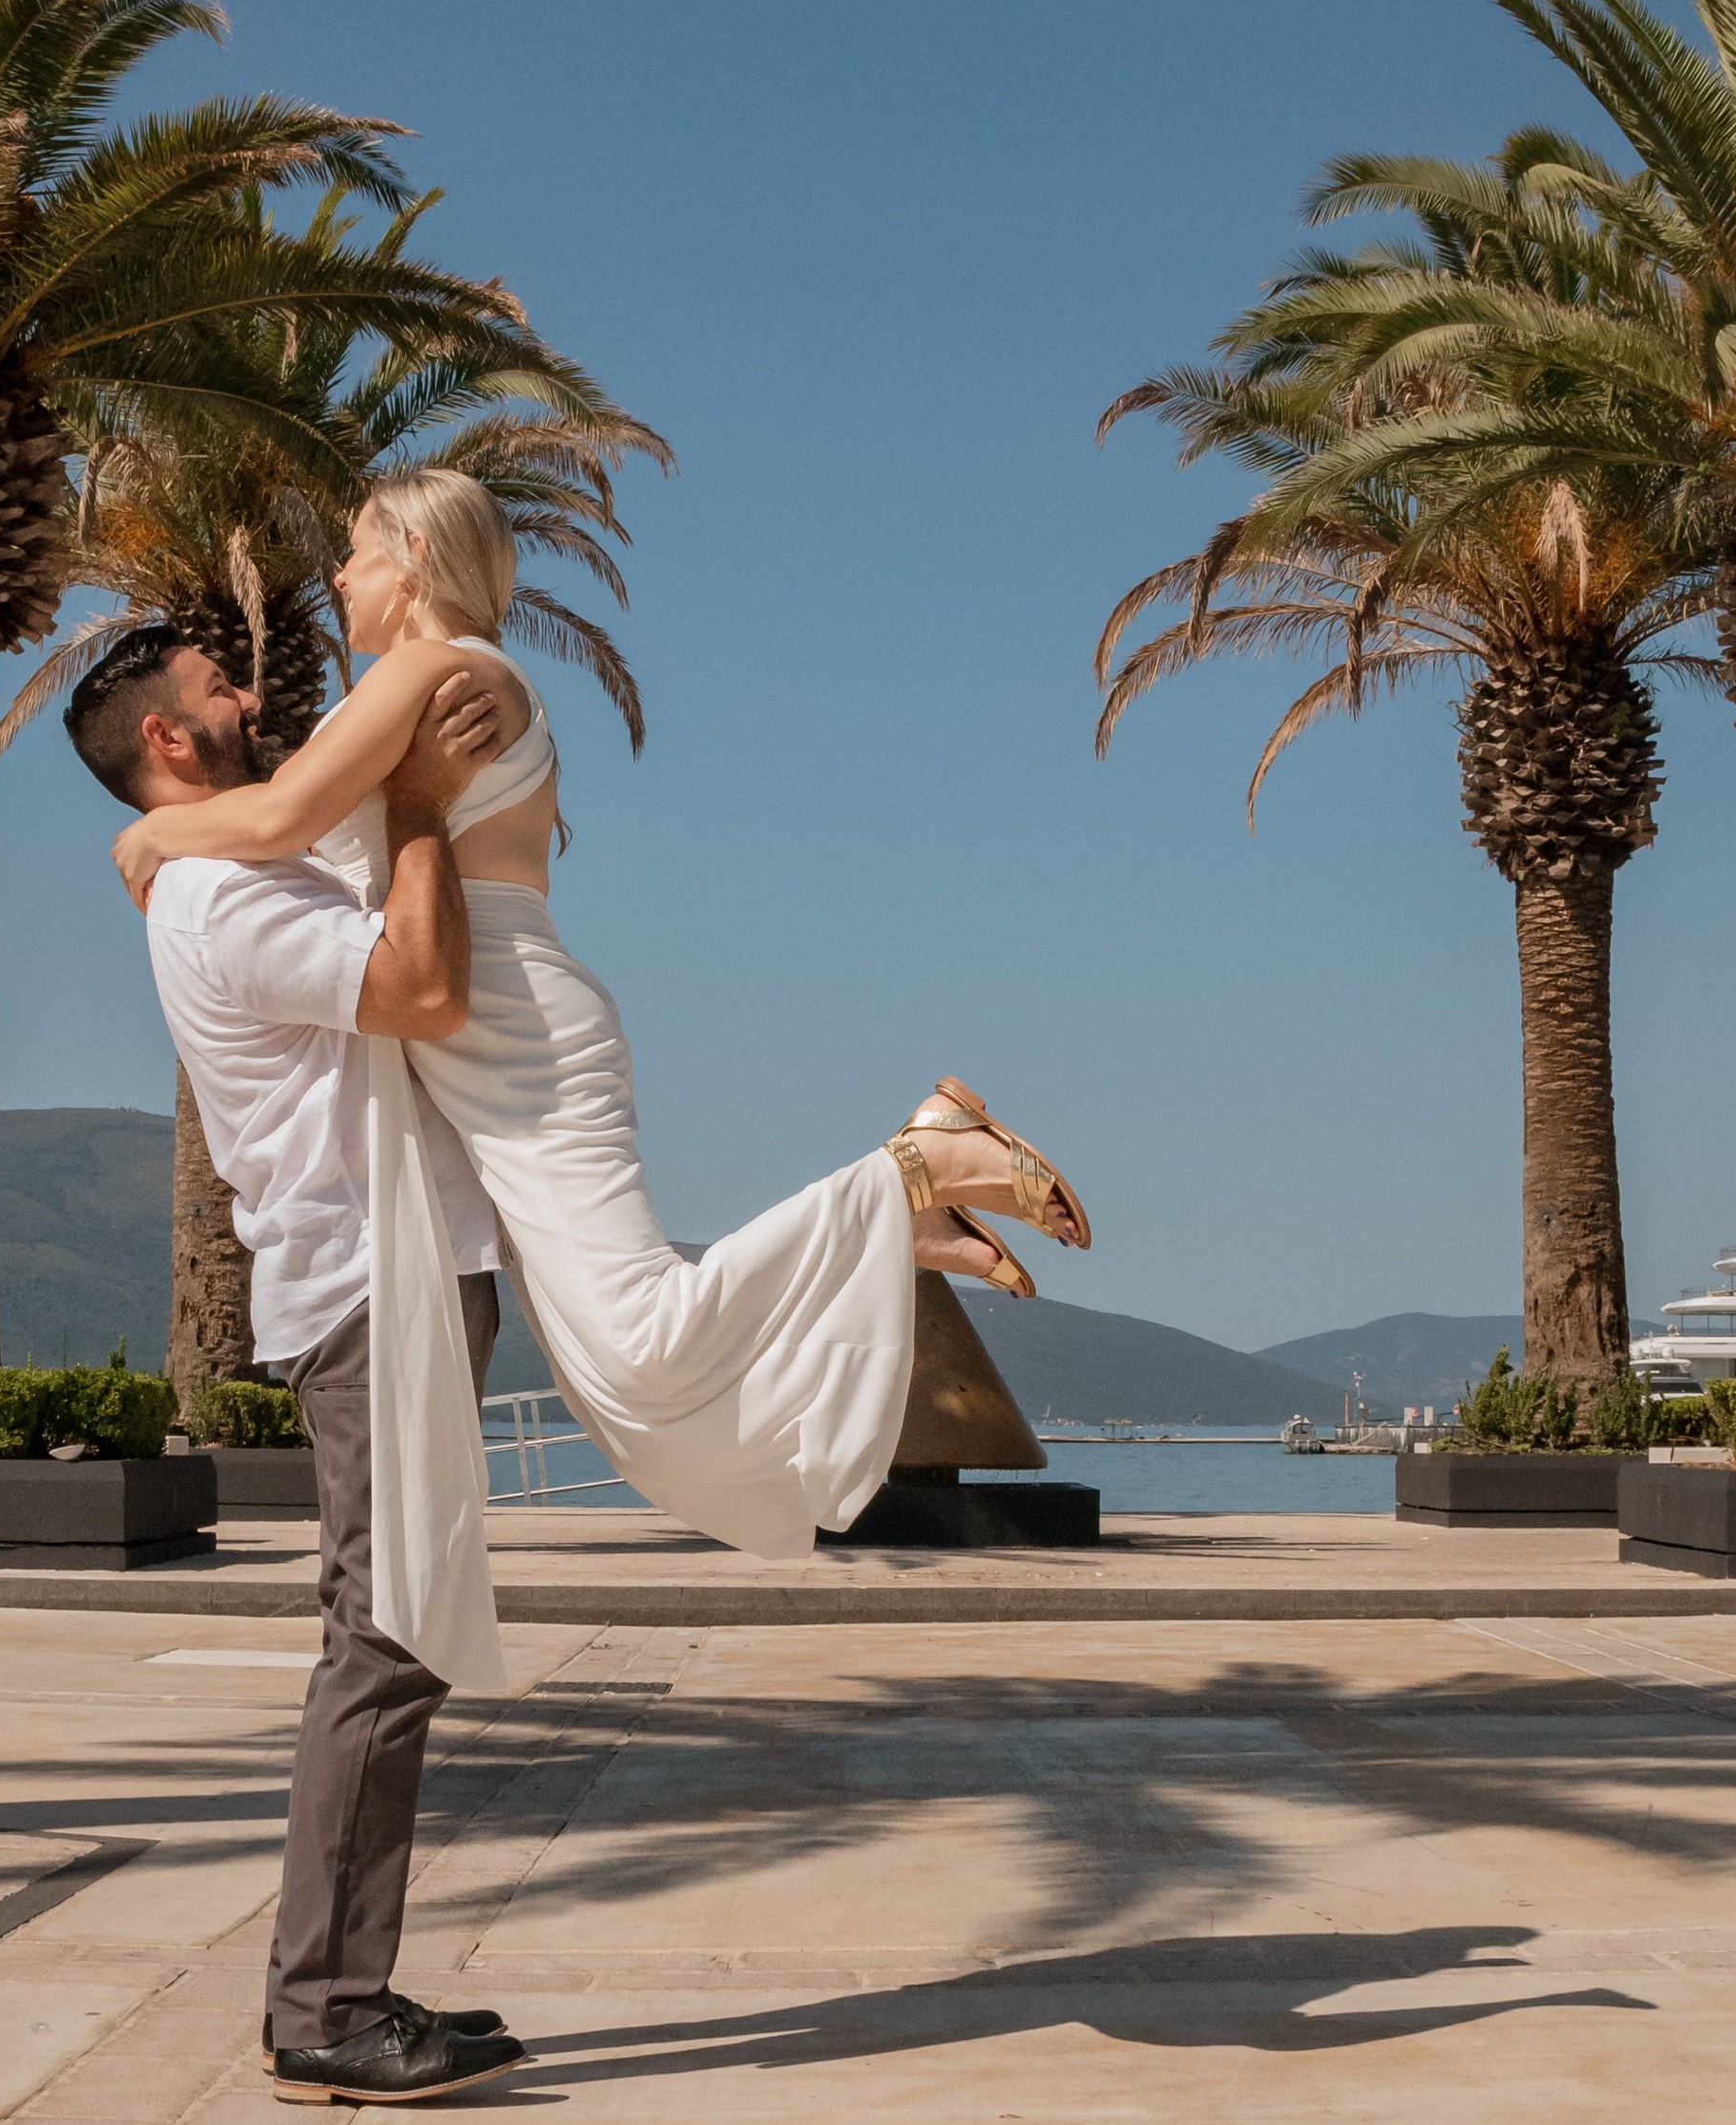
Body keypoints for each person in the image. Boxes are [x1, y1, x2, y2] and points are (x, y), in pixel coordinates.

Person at [107, 467, 1091, 1568]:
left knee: (639, 1343)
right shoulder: (431, 680)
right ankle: (891, 1225)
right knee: (613, 1369)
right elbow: (306, 819)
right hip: (497, 1031)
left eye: (357, 549)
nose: (340, 574)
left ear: (415, 560)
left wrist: (151, 838)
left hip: (514, 1030)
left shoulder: (433, 668)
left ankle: (914, 1166)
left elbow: (286, 816)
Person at [65, 623, 532, 2111]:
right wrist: (408, 811)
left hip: (411, 1269)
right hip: (368, 1286)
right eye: (221, 691)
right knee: (386, 1633)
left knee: (400, 1626)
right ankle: (323, 2004)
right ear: (171, 743)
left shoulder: (225, 853)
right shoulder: (214, 894)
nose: (255, 698)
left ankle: (342, 1986)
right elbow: (419, 990)